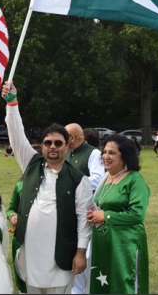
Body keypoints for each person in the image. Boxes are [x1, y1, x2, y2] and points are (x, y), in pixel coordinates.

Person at [3, 81, 92, 294]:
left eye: (58, 143)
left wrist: (80, 253)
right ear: (42, 146)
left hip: (60, 256)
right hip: (30, 252)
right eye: (48, 142)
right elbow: (16, 135)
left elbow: (83, 220)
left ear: (68, 145)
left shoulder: (79, 179)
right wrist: (12, 104)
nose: (52, 147)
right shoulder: (31, 163)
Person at [86, 133, 150, 294]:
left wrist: (105, 216)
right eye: (104, 152)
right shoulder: (106, 179)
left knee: (123, 284)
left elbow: (137, 215)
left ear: (125, 156)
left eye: (112, 153)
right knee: (103, 283)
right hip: (103, 242)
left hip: (125, 244)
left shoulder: (135, 180)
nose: (105, 156)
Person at [64, 123, 105, 294]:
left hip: (86, 211)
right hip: (67, 212)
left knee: (86, 257)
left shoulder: (93, 153)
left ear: (73, 138)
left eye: (65, 138)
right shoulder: (67, 153)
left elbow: (98, 178)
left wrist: (74, 183)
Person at [6, 177, 27, 294]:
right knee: (22, 272)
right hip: (21, 238)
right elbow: (11, 209)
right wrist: (13, 215)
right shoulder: (20, 185)